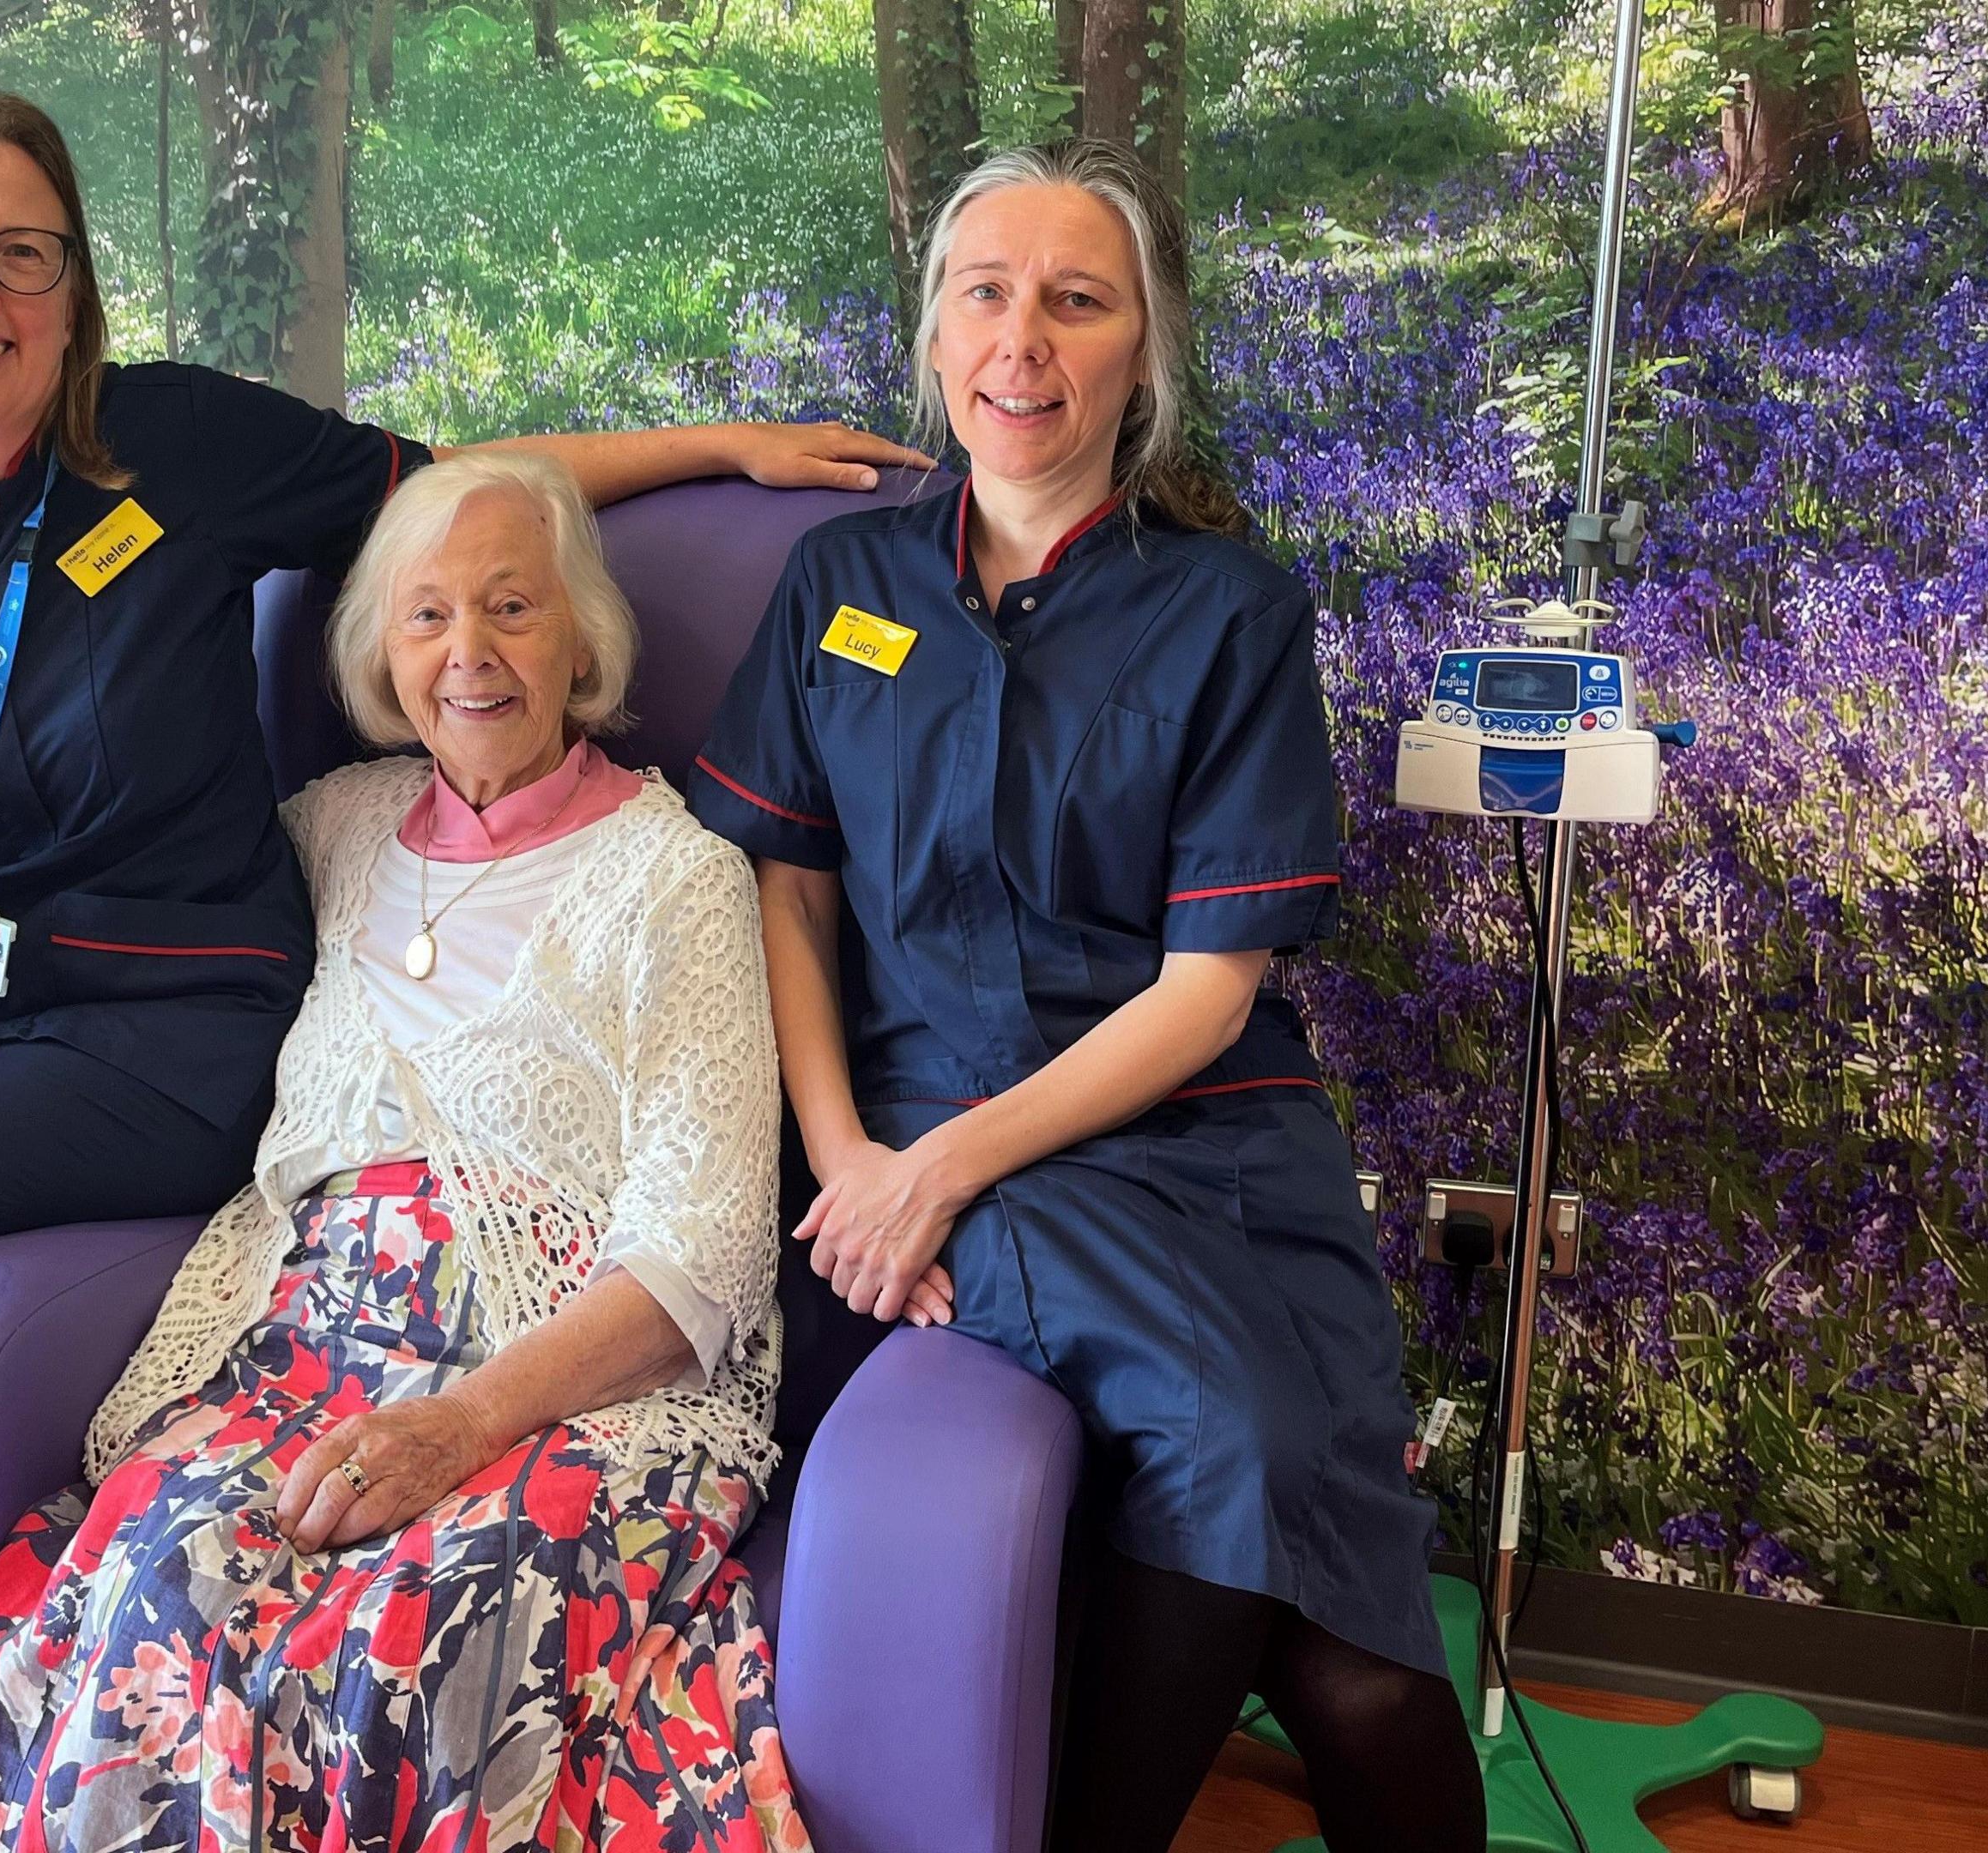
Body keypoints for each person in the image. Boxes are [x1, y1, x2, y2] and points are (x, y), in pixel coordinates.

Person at [0, 79, 915, 1853]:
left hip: (171, 1035)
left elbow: (456, 499)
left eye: (23, 254)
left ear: (74, 295)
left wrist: (721, 445)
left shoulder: (169, 449)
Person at [688, 140, 1488, 1852]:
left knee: (1351, 1660)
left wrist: (939, 1170)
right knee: (1259, 1482)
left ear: (1143, 358)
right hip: (935, 1121)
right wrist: (849, 1160)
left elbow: (1210, 996)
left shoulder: (1232, 610)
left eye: (1076, 300)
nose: (1022, 341)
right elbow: (787, 885)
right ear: (934, 332)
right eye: (985, 292)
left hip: (1208, 1136)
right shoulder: (841, 589)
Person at [0, 451, 803, 1851]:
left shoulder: (676, 875)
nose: (470, 653)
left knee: (405, 1649)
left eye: (513, 608)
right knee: (161, 1593)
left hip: (564, 1379)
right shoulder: (330, 826)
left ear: (581, 634)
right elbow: (133, 936)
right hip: (297, 1349)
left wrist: (461, 1424)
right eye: (427, 615)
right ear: (379, 652)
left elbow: (705, 1247)